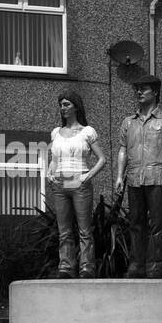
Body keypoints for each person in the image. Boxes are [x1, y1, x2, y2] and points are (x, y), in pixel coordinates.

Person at [114, 76, 162, 279]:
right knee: (136, 223)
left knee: (158, 224)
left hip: (158, 177)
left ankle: (157, 266)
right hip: (134, 178)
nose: (139, 92)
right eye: (137, 89)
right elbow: (123, 150)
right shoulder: (128, 122)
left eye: (144, 89)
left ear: (156, 93)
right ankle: (136, 264)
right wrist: (119, 176)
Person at [45, 90, 106, 279]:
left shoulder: (87, 132)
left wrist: (87, 176)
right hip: (60, 184)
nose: (62, 108)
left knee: (84, 229)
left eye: (66, 104)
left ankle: (87, 267)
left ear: (76, 106)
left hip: (79, 182)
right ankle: (66, 267)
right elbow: (55, 159)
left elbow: (102, 159)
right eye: (61, 105)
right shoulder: (56, 133)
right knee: (64, 230)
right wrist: (49, 171)